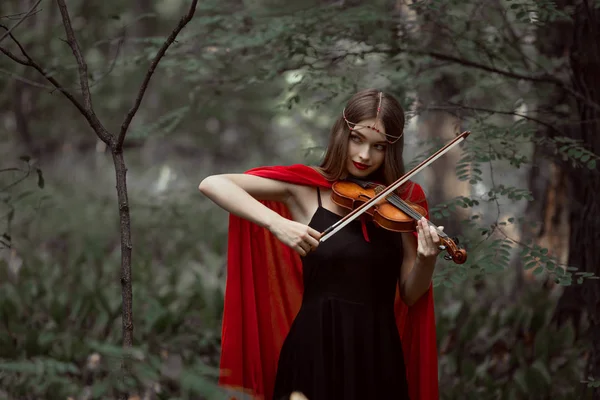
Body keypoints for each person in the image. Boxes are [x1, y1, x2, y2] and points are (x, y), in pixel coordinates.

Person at [199, 89, 442, 400]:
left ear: (391, 150)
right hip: (314, 346)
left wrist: (427, 259)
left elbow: (409, 295)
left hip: (378, 352)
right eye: (357, 139)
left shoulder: (405, 199)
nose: (364, 155)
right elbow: (213, 183)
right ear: (342, 132)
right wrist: (277, 223)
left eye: (378, 146)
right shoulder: (305, 189)